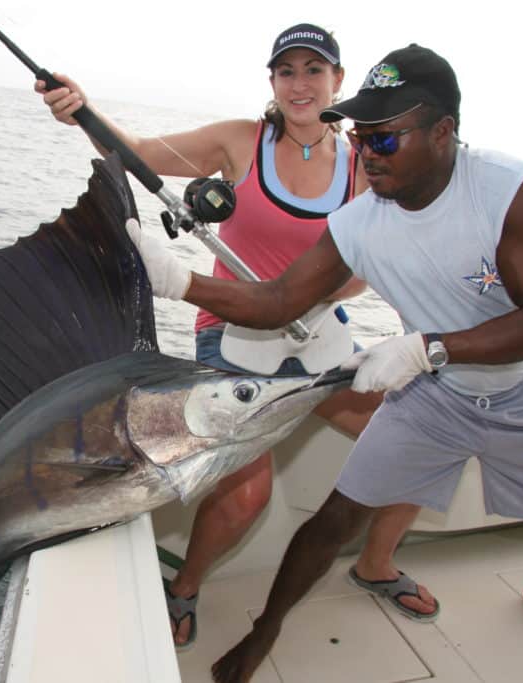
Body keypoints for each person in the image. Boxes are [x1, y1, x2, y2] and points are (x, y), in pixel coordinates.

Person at [125, 42, 523, 682]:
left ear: (444, 131)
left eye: (387, 141)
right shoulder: (359, 223)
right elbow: (277, 299)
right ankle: (265, 631)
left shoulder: (510, 191)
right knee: (333, 521)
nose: (368, 154)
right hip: (435, 397)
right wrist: (178, 281)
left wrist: (429, 348)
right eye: (363, 138)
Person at [35, 25, 440, 648]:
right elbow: (140, 148)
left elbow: (367, 269)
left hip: (318, 336)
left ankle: (375, 564)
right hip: (232, 332)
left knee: (418, 444)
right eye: (287, 72)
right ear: (272, 82)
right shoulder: (240, 142)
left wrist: (316, 295)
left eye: (314, 70)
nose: (300, 84)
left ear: (337, 79)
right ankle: (186, 587)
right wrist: (80, 111)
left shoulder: (366, 161)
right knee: (247, 494)